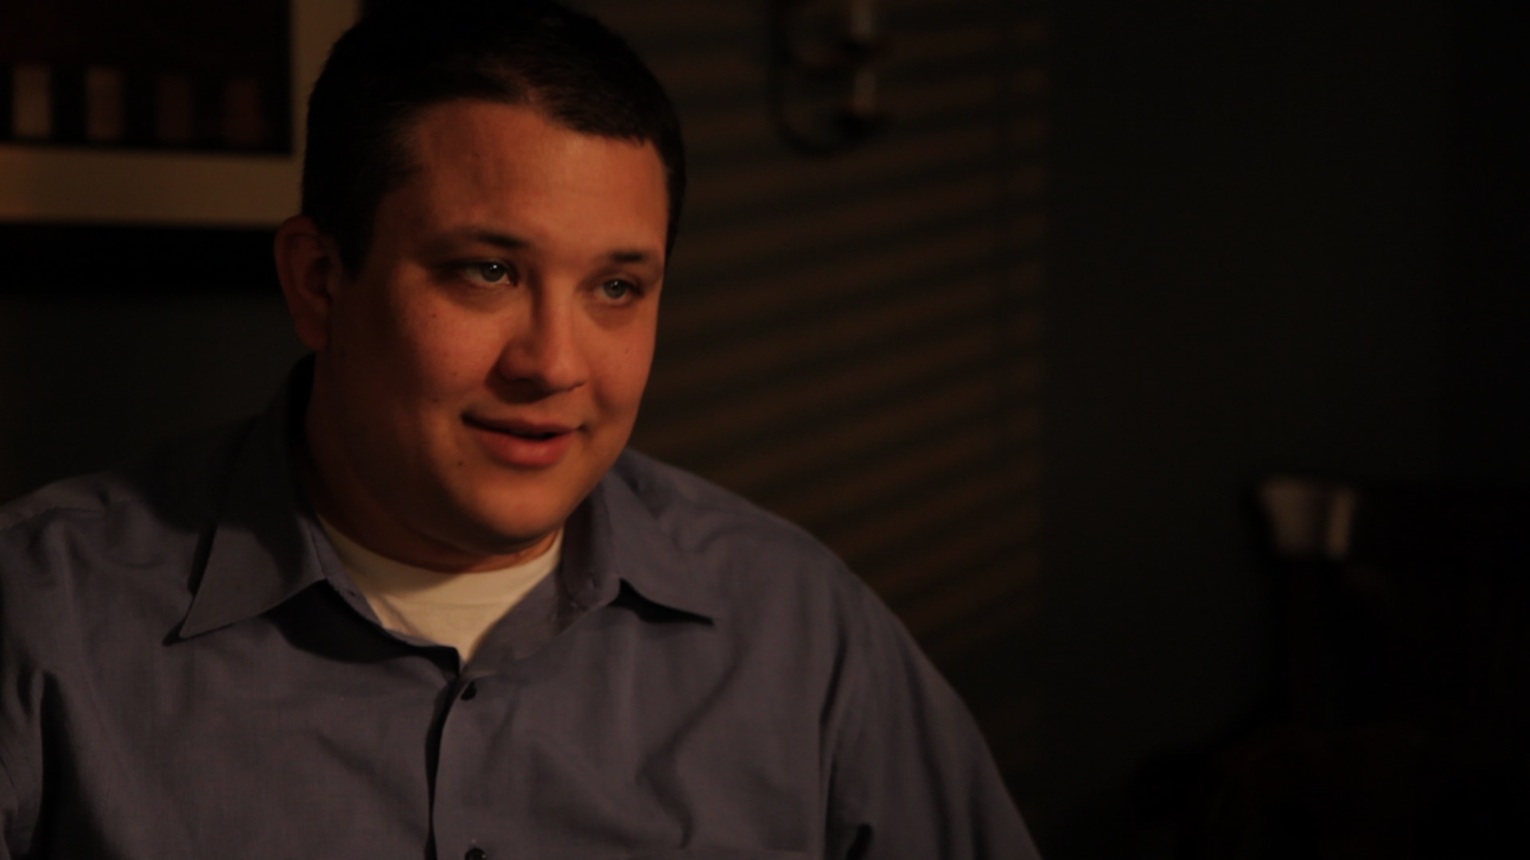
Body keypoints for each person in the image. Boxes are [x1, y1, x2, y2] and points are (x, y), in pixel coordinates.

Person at [0, 1, 1039, 857]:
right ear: (319, 282)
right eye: (488, 271)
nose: (553, 362)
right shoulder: (44, 618)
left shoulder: (800, 632)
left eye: (616, 287)